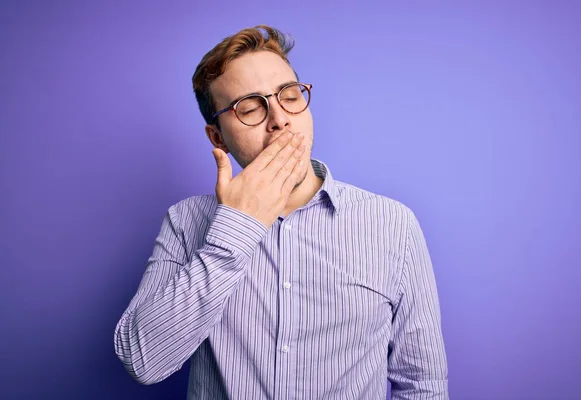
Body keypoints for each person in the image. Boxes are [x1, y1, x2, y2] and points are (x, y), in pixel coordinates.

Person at [114, 25, 448, 399]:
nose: (280, 120)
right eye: (251, 108)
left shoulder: (392, 224)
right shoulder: (185, 222)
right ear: (217, 137)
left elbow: (423, 385)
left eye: (289, 96)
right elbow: (143, 362)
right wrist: (237, 228)